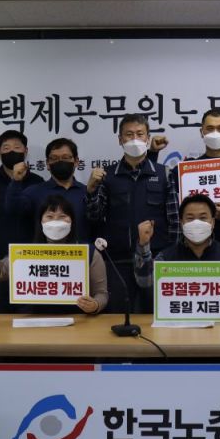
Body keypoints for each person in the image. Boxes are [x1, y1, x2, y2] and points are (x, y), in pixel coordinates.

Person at [85, 114, 180, 313]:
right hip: (118, 261)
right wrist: (91, 190)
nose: (134, 139)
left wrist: (173, 255)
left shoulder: (164, 173)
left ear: (147, 138)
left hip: (157, 259)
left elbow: (174, 220)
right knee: (118, 316)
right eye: (129, 135)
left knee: (156, 314)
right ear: (120, 140)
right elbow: (94, 216)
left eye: (140, 134)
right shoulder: (107, 175)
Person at [0, 194, 108, 315]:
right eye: (49, 217)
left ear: (72, 221)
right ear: (41, 222)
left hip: (77, 321)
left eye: (62, 216)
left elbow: (101, 293)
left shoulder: (89, 253)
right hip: (33, 321)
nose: (56, 222)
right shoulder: (25, 254)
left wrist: (95, 305)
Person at [134, 194, 220, 319]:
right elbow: (145, 284)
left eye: (203, 218)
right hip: (178, 326)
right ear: (181, 223)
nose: (196, 223)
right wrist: (144, 245)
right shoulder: (165, 258)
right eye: (190, 218)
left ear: (213, 222)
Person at [0, 130, 43, 313]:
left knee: (31, 313)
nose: (12, 151)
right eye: (6, 148)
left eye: (17, 147)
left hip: (32, 258)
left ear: (25, 151)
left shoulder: (37, 181)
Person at [170, 108, 220, 252]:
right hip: (192, 247)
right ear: (202, 132)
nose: (215, 133)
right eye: (210, 128)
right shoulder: (185, 169)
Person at [5, 137, 90, 245]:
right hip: (43, 254)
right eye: (54, 158)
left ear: (76, 161)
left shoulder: (87, 192)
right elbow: (13, 210)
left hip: (80, 253)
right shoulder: (34, 192)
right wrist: (16, 181)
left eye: (65, 157)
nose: (60, 161)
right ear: (48, 164)